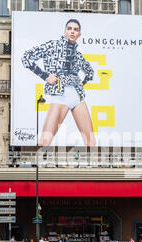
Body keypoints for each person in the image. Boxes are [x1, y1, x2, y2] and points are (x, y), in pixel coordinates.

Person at [22, 18, 95, 147]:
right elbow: (26, 57)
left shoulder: (78, 55)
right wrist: (45, 76)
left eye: (76, 29)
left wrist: (82, 83)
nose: (72, 32)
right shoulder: (52, 46)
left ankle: (94, 166)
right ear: (65, 31)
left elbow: (90, 72)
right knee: (45, 140)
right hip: (60, 95)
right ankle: (41, 164)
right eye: (69, 28)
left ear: (79, 34)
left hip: (77, 97)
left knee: (90, 140)